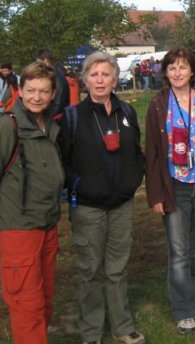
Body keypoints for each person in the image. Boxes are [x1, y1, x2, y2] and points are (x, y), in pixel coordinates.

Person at [0, 61, 64, 344]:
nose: (37, 97)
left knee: (44, 298)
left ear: (52, 94)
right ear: (20, 91)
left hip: (46, 223)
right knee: (27, 304)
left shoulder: (48, 125)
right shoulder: (7, 127)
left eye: (43, 91)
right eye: (31, 90)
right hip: (19, 228)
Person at [59, 51, 146, 344]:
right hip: (88, 207)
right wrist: (79, 184)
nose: (99, 80)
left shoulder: (127, 112)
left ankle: (122, 326)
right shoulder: (72, 117)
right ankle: (91, 333)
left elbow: (136, 152)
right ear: (85, 80)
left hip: (121, 204)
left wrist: (133, 180)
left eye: (105, 74)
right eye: (94, 75)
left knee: (117, 269)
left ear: (115, 80)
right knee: (90, 270)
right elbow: (63, 161)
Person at [144, 47, 195, 335]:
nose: (177, 73)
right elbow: (152, 152)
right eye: (172, 68)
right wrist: (155, 194)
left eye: (183, 67)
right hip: (174, 186)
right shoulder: (158, 104)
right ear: (165, 73)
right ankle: (184, 310)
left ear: (192, 71)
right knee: (179, 252)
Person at [36, 48, 70, 120]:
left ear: (45, 60)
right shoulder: (58, 73)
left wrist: (48, 118)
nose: (38, 66)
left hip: (54, 117)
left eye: (38, 62)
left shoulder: (55, 76)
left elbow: (58, 101)